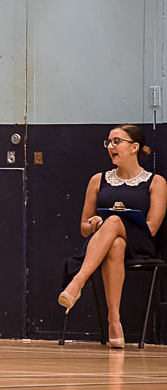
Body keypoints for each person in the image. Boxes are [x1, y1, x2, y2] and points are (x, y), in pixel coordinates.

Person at [59, 124, 166, 348]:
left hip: (141, 244)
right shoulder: (98, 180)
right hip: (104, 244)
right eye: (108, 142)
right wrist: (95, 224)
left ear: (134, 147)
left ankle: (77, 282)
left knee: (115, 220)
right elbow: (84, 227)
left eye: (117, 141)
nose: (110, 146)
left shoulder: (155, 182)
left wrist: (115, 222)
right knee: (115, 244)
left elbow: (152, 228)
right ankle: (114, 322)